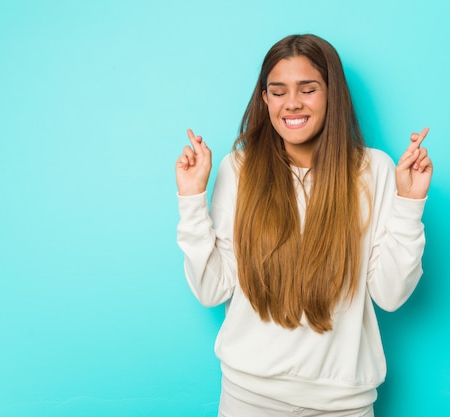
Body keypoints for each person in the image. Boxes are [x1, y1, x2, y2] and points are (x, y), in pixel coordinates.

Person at [175, 34, 432, 417]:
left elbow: (391, 295)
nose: (292, 103)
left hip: (343, 404)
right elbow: (212, 289)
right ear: (265, 100)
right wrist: (192, 199)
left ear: (333, 94)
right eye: (278, 92)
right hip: (248, 397)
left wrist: (410, 204)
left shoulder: (375, 170)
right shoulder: (239, 169)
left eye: (308, 89)